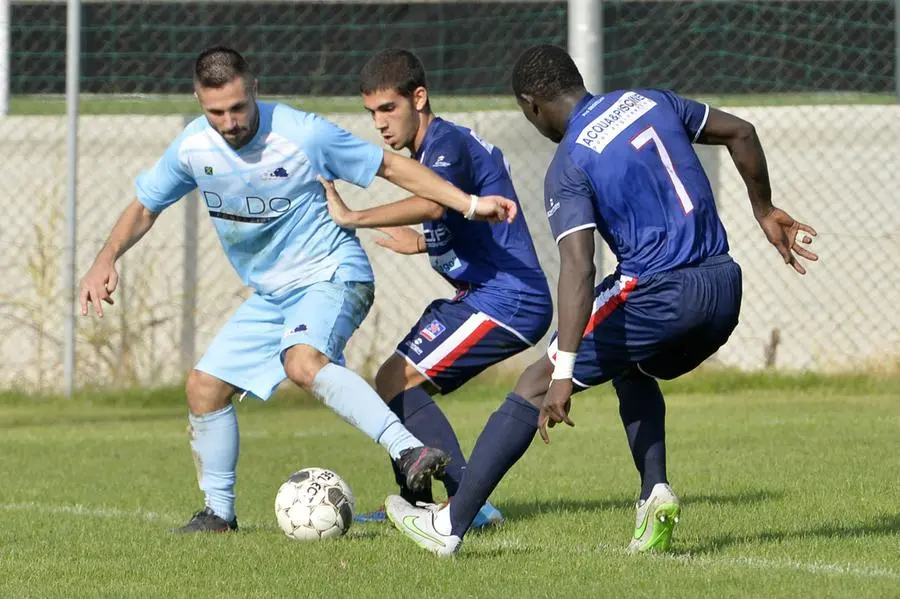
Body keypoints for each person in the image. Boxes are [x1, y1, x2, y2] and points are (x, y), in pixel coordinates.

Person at [385, 44, 818, 556]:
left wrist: (562, 371)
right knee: (628, 362)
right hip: (724, 287)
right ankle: (653, 493)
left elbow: (579, 267)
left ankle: (449, 526)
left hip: (660, 293)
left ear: (532, 105)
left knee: (533, 382)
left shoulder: (569, 163)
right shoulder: (649, 101)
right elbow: (741, 132)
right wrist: (764, 210)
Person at [78, 45, 517, 534]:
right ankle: (218, 513)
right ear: (201, 104)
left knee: (302, 361)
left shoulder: (301, 133)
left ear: (255, 91)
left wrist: (469, 203)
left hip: (333, 274)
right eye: (215, 111)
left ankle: (408, 450)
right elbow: (144, 205)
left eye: (238, 108)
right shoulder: (192, 147)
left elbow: (390, 169)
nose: (228, 122)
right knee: (204, 388)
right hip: (272, 295)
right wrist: (105, 258)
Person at [318, 48, 552, 528]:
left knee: (397, 381)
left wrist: (354, 217)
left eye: (388, 109)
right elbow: (460, 221)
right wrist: (422, 244)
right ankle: (417, 502)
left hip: (510, 298)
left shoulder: (445, 144)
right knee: (391, 379)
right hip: (485, 294)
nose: (380, 124)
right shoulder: (437, 150)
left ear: (418, 98)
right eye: (372, 113)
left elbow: (435, 205)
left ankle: (468, 502)